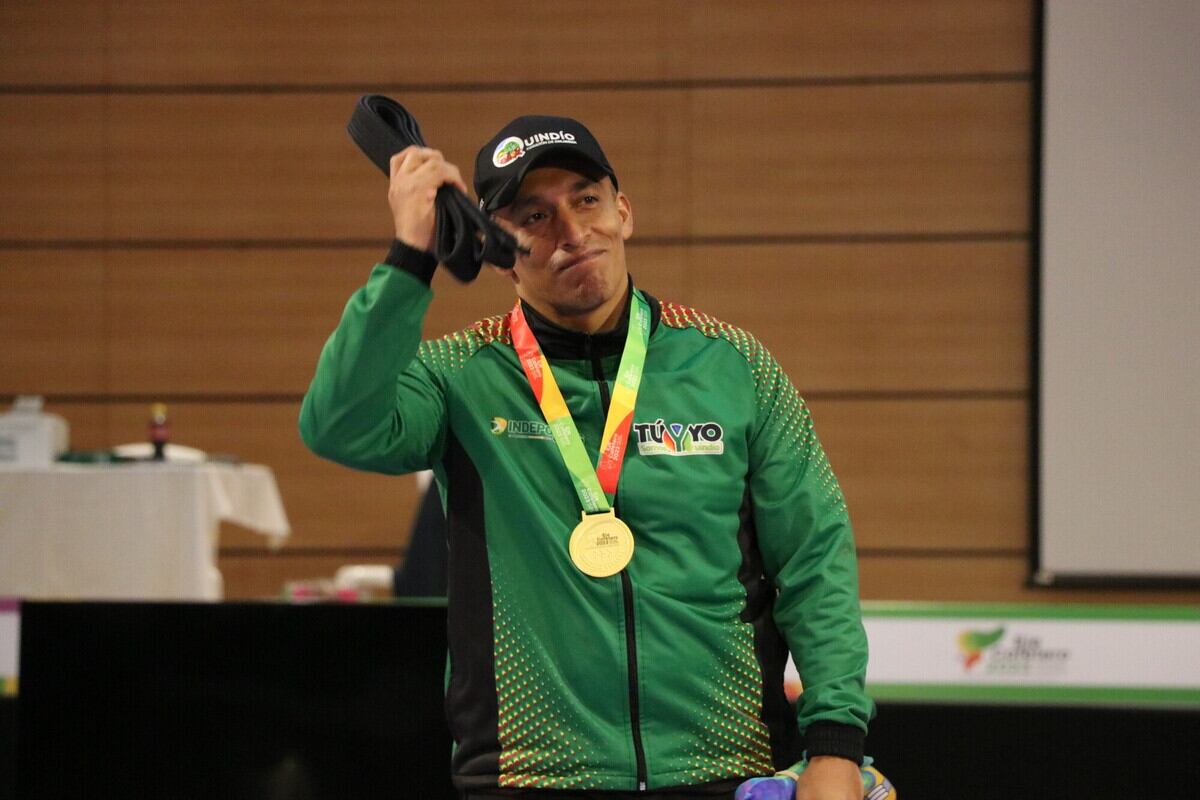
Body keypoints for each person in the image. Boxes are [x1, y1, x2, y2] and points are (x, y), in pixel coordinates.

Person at [300, 115, 873, 800]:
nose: (571, 232)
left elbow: (815, 560)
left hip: (727, 766)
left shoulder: (733, 365)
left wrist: (835, 746)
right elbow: (338, 425)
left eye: (586, 200)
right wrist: (409, 257)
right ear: (496, 246)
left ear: (623, 212)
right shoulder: (461, 376)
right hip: (531, 776)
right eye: (534, 216)